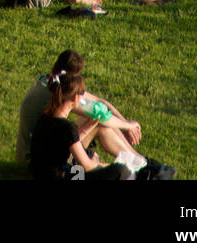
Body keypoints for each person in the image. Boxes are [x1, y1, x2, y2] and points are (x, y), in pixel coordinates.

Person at [17, 50, 173, 179]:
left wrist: (124, 123)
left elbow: (99, 106)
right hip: (51, 167)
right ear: (72, 93)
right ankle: (143, 167)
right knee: (116, 170)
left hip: (41, 159)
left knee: (96, 123)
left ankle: (142, 165)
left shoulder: (53, 86)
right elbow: (87, 164)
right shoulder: (61, 114)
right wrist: (127, 126)